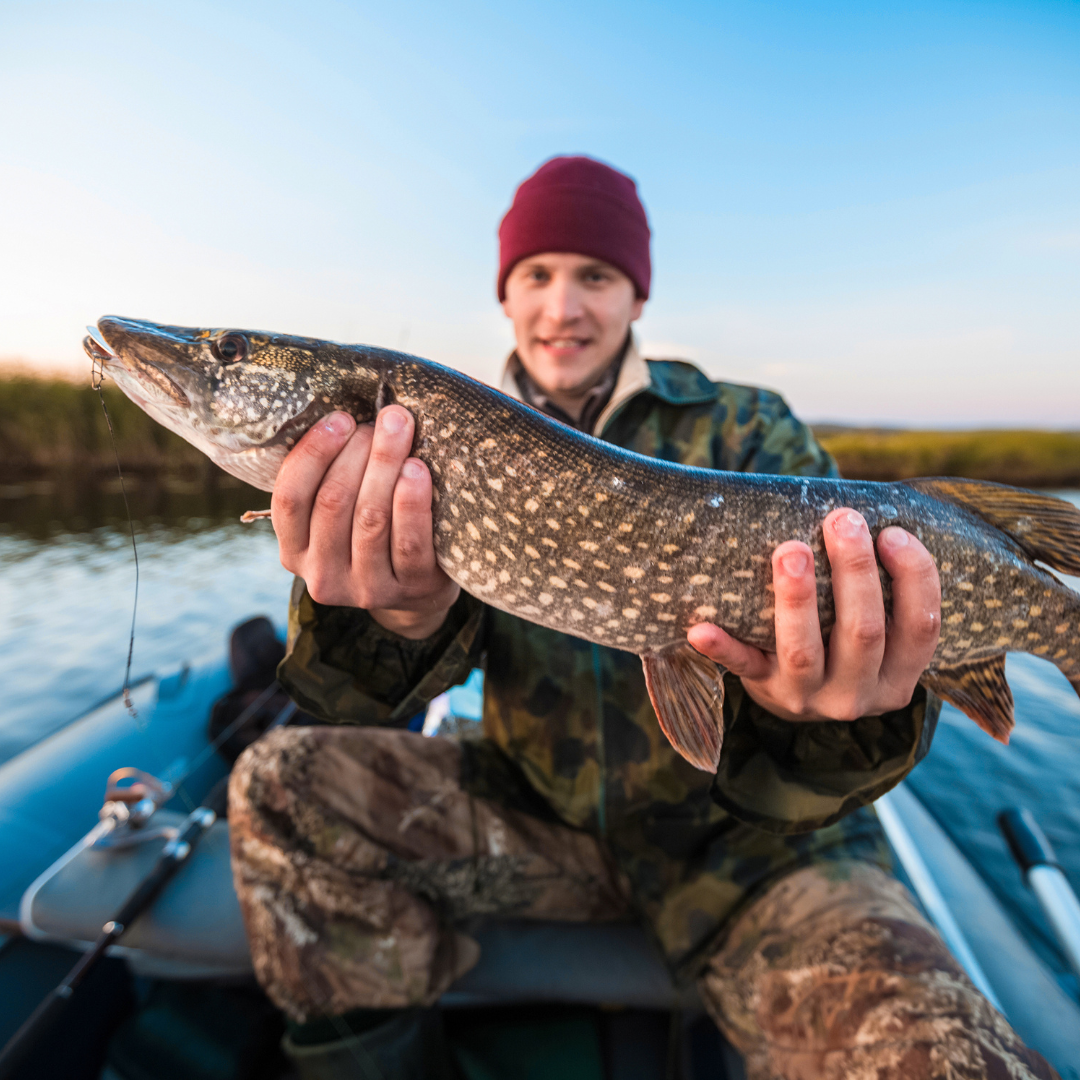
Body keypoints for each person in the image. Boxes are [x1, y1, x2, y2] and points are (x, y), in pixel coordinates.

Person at [228, 156, 1059, 1078]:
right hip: (538, 817)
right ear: (505, 295)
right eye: (536, 275)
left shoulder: (748, 429)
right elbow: (359, 698)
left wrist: (813, 718)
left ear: (636, 295)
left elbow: (855, 704)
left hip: (757, 853)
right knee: (278, 787)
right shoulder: (419, 440)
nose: (563, 307)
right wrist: (392, 619)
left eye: (595, 275)